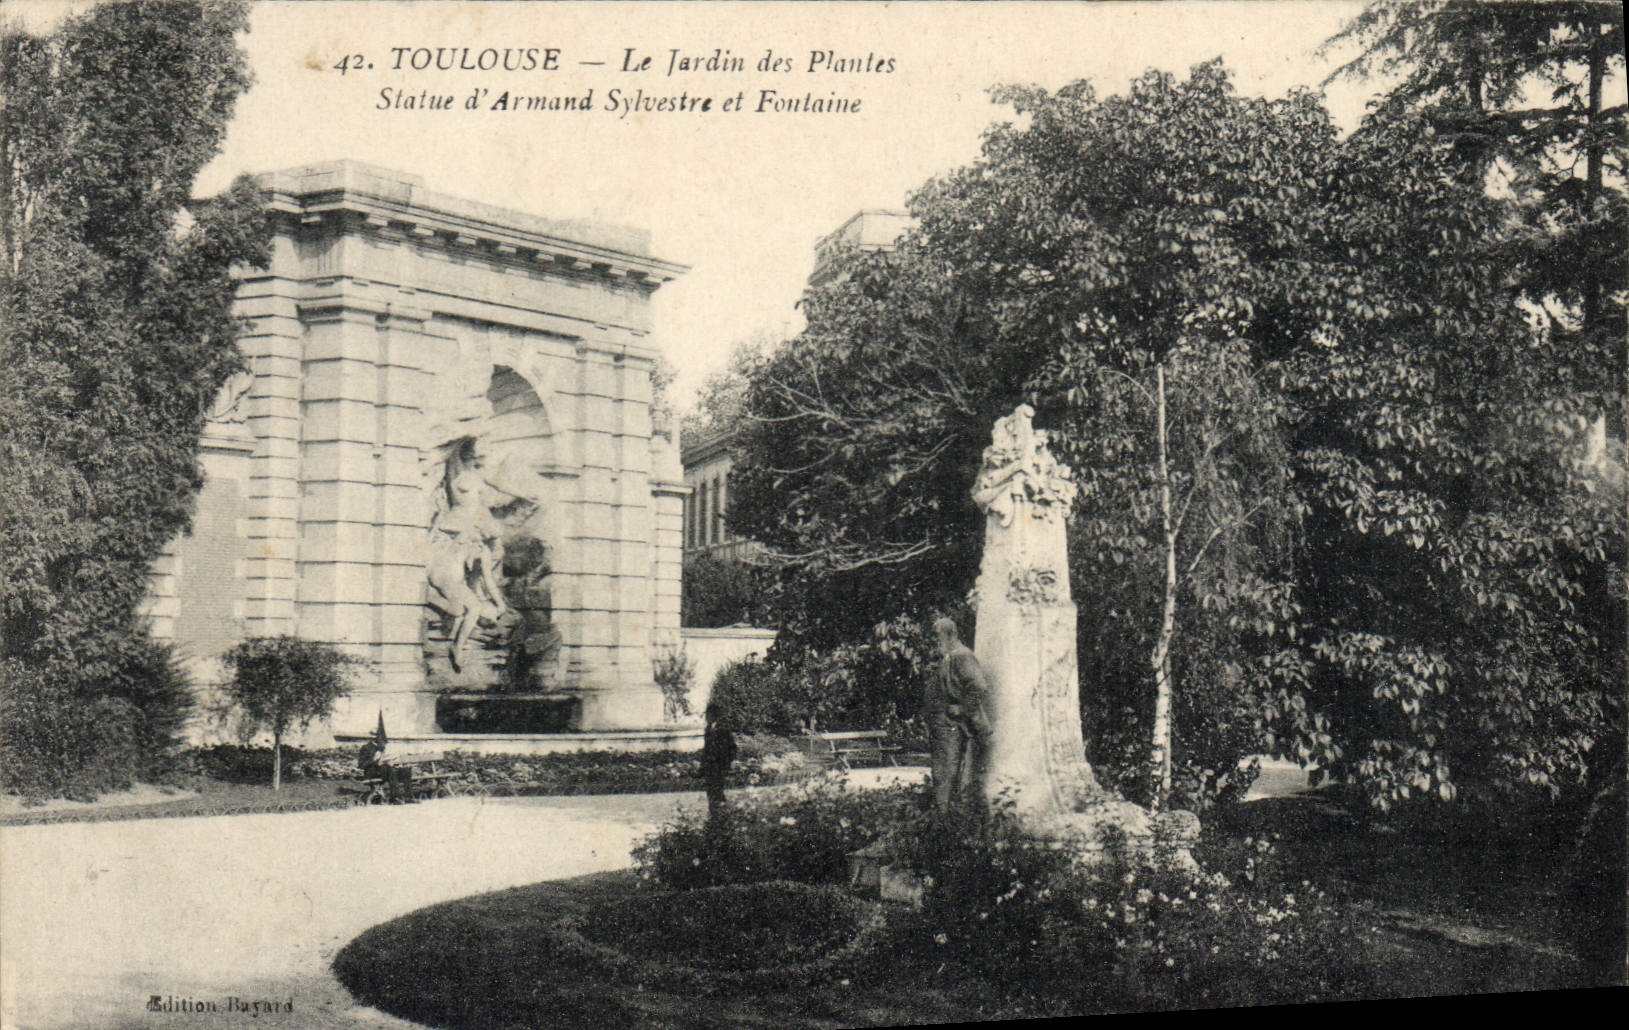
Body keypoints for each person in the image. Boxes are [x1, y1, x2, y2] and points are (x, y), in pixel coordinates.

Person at [928, 617, 993, 810]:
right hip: (941, 724)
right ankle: (944, 816)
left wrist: (963, 708)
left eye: (938, 638)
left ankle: (946, 820)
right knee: (941, 772)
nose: (936, 643)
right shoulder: (948, 657)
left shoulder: (962, 656)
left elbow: (978, 685)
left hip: (951, 725)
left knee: (946, 772)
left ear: (951, 635)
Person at [700, 699, 737, 816]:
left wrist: (725, 763)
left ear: (714, 716)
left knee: (718, 792)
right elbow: (706, 749)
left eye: (708, 715)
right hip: (710, 767)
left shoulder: (723, 729)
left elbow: (732, 748)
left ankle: (722, 814)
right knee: (711, 792)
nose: (706, 717)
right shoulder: (708, 729)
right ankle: (714, 815)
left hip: (719, 766)